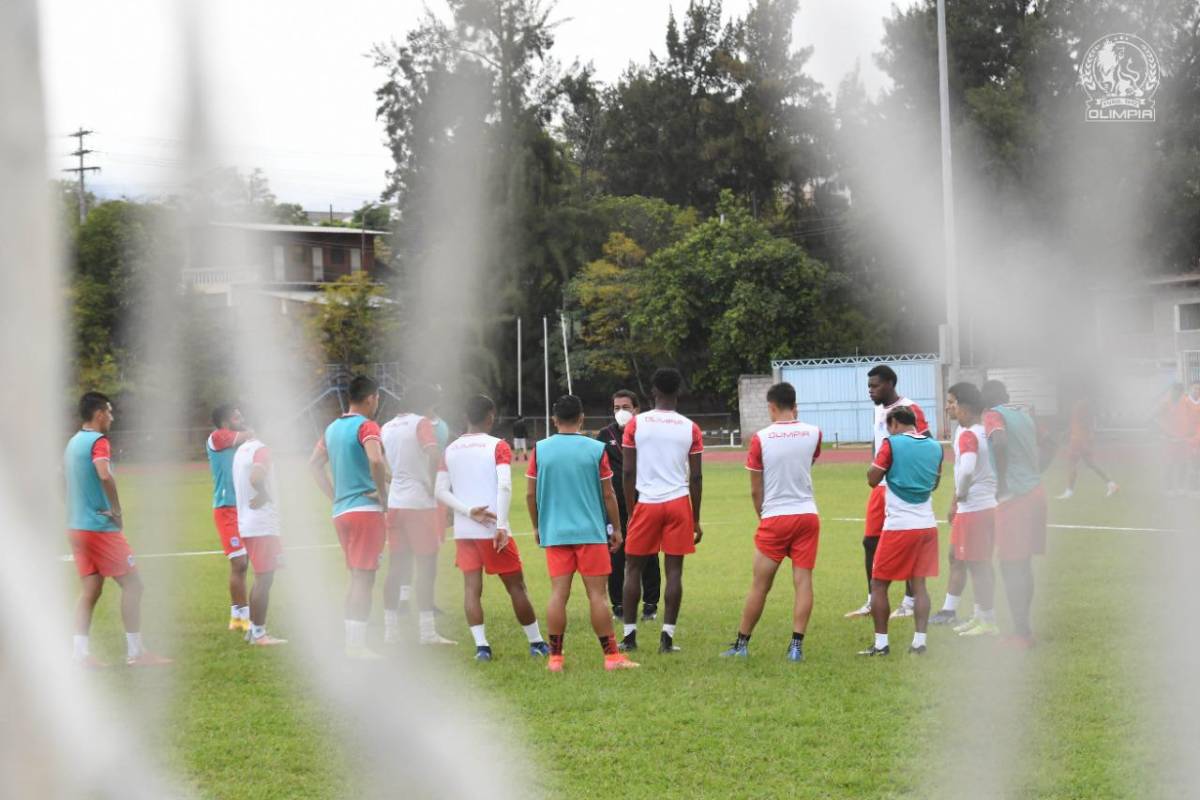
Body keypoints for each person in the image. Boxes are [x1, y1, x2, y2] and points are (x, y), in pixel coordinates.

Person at [526, 395, 639, 672]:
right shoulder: (596, 449)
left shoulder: (540, 450)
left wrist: (538, 526)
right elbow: (609, 494)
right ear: (582, 418)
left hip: (556, 533)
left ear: (554, 419)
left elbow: (531, 494)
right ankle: (612, 658)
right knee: (597, 596)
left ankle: (555, 659)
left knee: (558, 595)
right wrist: (616, 528)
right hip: (590, 532)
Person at [435, 394, 549, 661]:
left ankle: (482, 647)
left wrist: (466, 511)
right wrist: (500, 525)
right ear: (491, 416)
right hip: (492, 530)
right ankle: (536, 643)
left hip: (465, 531)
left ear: (465, 417)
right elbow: (505, 485)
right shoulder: (497, 446)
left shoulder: (449, 449)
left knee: (471, 589)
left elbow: (439, 490)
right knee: (516, 587)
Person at [66, 392, 171, 667]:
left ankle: (79, 655)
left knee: (90, 589)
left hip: (76, 527)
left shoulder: (73, 442)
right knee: (134, 585)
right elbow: (104, 474)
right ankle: (136, 653)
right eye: (110, 412)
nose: (112, 417)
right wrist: (116, 510)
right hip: (100, 528)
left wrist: (75, 506)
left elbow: (59, 478)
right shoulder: (99, 442)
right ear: (99, 413)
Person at [721, 382, 821, 662]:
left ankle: (742, 644)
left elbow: (756, 488)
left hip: (776, 516)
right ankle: (796, 646)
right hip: (807, 514)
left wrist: (763, 516)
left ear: (772, 407)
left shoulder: (761, 438)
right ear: (795, 404)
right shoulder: (814, 433)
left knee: (760, 585)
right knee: (803, 581)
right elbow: (806, 465)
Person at [619, 367, 703, 654]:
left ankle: (629, 636)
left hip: (647, 502)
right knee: (674, 571)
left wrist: (632, 512)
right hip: (679, 502)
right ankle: (667, 637)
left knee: (633, 568)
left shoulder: (636, 424)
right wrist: (696, 518)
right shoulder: (690, 427)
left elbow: (628, 471)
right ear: (678, 391)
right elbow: (696, 477)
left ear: (652, 392)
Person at [309, 375, 391, 659]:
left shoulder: (331, 429)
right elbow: (376, 459)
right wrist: (383, 495)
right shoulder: (367, 426)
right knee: (363, 579)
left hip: (342, 512)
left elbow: (314, 466)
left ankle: (352, 641)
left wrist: (335, 496)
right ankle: (355, 647)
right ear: (371, 398)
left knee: (356, 577)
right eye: (377, 398)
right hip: (365, 512)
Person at [845, 365, 929, 621]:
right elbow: (878, 440)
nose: (870, 391)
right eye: (869, 386)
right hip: (880, 488)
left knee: (907, 544)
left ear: (891, 383)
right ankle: (873, 600)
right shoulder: (878, 409)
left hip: (901, 489)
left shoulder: (910, 408)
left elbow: (925, 442)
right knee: (870, 541)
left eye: (875, 386)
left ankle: (910, 601)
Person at [858, 406, 943, 656]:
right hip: (927, 524)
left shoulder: (891, 443)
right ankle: (919, 642)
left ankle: (881, 644)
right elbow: (935, 482)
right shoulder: (935, 446)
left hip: (899, 526)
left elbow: (873, 479)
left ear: (894, 423)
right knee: (920, 585)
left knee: (879, 584)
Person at [380, 384, 454, 646]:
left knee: (396, 568)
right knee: (426, 568)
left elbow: (379, 461)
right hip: (420, 504)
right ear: (427, 405)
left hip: (396, 501)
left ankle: (390, 631)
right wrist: (433, 484)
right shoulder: (422, 423)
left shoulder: (386, 427)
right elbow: (433, 453)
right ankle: (427, 632)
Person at [982, 380, 1052, 648]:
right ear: (1007, 395)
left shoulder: (992, 416)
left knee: (1010, 564)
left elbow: (998, 442)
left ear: (985, 401)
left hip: (1014, 497)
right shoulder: (1025, 415)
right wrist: (1035, 472)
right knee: (1023, 563)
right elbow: (1051, 443)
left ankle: (1021, 634)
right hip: (1035, 492)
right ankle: (1024, 629)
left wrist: (1001, 483)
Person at [930, 383, 999, 636]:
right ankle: (980, 616)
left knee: (978, 566)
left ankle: (988, 621)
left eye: (952, 402)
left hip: (975, 509)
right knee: (975, 563)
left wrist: (960, 496)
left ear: (965, 406)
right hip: (988, 506)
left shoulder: (969, 434)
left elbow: (967, 468)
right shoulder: (984, 432)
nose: (948, 406)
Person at [595, 390, 661, 620]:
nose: (621, 412)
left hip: (644, 502)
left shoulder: (647, 433)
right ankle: (619, 606)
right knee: (616, 553)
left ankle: (650, 605)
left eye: (625, 407)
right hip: (614, 506)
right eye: (616, 408)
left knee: (648, 553)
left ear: (636, 409)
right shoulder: (605, 435)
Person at [232, 432, 287, 646]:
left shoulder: (242, 450)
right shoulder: (262, 450)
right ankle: (258, 633)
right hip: (262, 524)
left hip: (248, 522)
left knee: (262, 578)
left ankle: (254, 630)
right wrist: (264, 493)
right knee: (265, 579)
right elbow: (255, 477)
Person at [206, 404, 255, 633]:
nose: (242, 417)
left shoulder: (236, 440)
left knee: (243, 564)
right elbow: (249, 435)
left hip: (242, 507)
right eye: (237, 415)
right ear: (227, 420)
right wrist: (248, 431)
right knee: (239, 562)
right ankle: (244, 618)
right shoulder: (217, 437)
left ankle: (237, 617)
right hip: (226, 508)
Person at [1056, 397, 1118, 499]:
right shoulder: (1085, 407)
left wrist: (1080, 438)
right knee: (1091, 464)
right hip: (1082, 440)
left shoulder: (1080, 406)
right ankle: (1111, 484)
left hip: (1077, 441)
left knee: (1072, 464)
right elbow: (1081, 424)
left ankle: (1069, 492)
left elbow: (1082, 424)